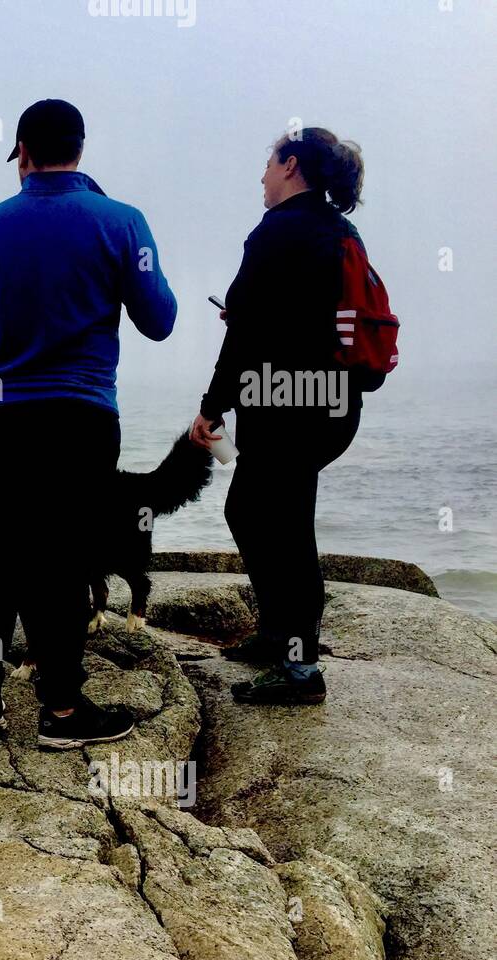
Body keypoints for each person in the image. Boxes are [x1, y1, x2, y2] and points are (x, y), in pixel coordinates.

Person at [0, 99, 176, 748]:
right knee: (61, 556)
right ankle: (62, 712)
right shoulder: (121, 221)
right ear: (79, 149)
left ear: (22, 152)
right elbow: (158, 319)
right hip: (81, 417)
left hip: (2, 418)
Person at [189, 127, 372, 705]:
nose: (262, 177)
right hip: (330, 404)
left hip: (289, 405)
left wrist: (211, 406)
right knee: (256, 512)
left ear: (291, 166)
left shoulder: (276, 231)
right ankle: (277, 637)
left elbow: (245, 328)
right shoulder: (339, 230)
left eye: (268, 164)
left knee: (284, 528)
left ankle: (300, 671)